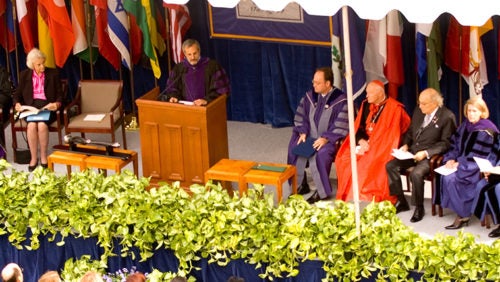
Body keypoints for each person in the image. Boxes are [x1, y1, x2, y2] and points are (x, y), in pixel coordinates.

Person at [386, 88, 456, 222]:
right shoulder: (418, 112)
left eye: (424, 104)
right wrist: (406, 144)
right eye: (419, 103)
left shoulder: (447, 116)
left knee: (416, 174)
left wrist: (425, 153)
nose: (420, 106)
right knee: (390, 166)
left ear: (435, 103)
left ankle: (419, 207)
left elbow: (446, 143)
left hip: (430, 156)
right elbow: (411, 131)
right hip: (412, 152)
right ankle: (401, 201)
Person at [335, 80, 410, 203]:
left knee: (367, 162)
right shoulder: (365, 105)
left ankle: (364, 196)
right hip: (365, 143)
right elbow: (357, 128)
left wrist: (373, 146)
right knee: (344, 158)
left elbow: (398, 134)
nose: (366, 96)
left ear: (380, 94)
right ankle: (347, 194)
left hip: (383, 146)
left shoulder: (395, 108)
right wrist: (361, 141)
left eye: (369, 93)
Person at [286, 67, 349, 204]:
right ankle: (300, 185)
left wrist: (326, 138)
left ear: (328, 83)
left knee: (321, 154)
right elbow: (301, 116)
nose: (314, 85)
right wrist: (302, 131)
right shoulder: (310, 96)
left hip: (329, 140)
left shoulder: (341, 100)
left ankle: (321, 192)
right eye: (313, 82)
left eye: (318, 83)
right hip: (309, 136)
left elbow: (342, 124)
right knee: (294, 147)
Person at [439, 96, 498, 229]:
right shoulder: (465, 126)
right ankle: (463, 212)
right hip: (463, 163)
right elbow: (454, 145)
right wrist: (451, 158)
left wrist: (459, 164)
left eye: (474, 111)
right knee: (446, 176)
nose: (471, 114)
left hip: (478, 166)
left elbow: (480, 154)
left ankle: (463, 215)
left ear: (482, 112)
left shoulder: (486, 130)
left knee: (451, 178)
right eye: (469, 111)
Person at [13, 48, 63, 172]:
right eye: (39, 64)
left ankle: (44, 157)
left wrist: (57, 104)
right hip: (31, 107)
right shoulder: (24, 75)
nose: (42, 66)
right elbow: (17, 94)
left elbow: (60, 94)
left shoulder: (53, 74)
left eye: (43, 63)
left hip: (47, 106)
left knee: (41, 125)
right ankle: (34, 158)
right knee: (31, 126)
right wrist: (17, 104)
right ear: (32, 65)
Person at [162, 39, 230, 106]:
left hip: (207, 110)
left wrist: (206, 100)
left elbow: (222, 90)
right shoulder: (179, 69)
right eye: (189, 54)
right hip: (185, 111)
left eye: (195, 53)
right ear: (185, 54)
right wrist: (174, 97)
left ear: (199, 51)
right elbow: (172, 88)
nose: (192, 57)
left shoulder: (212, 67)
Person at [471, 137, 500, 238]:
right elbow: (493, 155)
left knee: (498, 188)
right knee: (481, 185)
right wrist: (489, 169)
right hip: (497, 172)